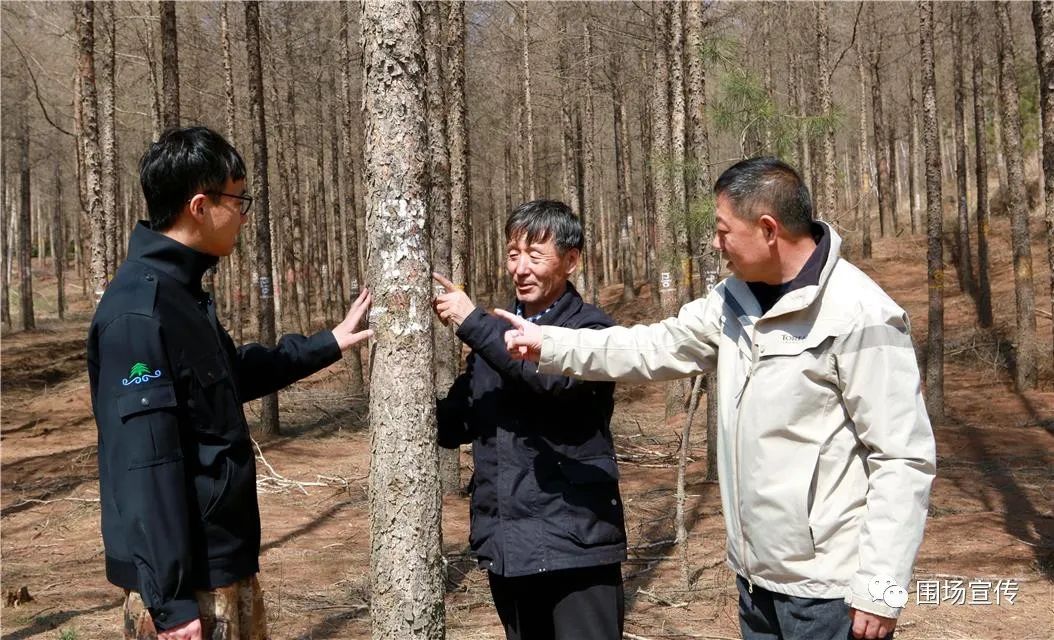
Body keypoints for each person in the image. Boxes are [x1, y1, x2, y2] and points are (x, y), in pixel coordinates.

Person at [497, 158, 936, 640]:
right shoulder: (734, 300)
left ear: (768, 229)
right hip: (755, 583)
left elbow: (902, 456)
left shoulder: (860, 314)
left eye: (724, 230)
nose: (714, 243)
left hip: (832, 591)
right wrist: (551, 344)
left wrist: (881, 587)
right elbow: (652, 346)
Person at [87, 126, 373, 640]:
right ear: (200, 205)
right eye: (239, 200)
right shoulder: (139, 314)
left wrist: (327, 342)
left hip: (221, 566)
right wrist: (172, 605)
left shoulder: (181, 294)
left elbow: (226, 377)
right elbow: (145, 464)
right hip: (189, 586)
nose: (244, 214)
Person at [432, 200, 626, 640]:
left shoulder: (592, 330)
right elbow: (457, 424)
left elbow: (549, 383)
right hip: (508, 546)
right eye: (513, 254)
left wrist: (473, 322)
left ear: (571, 261)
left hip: (577, 544)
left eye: (535, 256)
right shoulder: (495, 332)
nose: (520, 268)